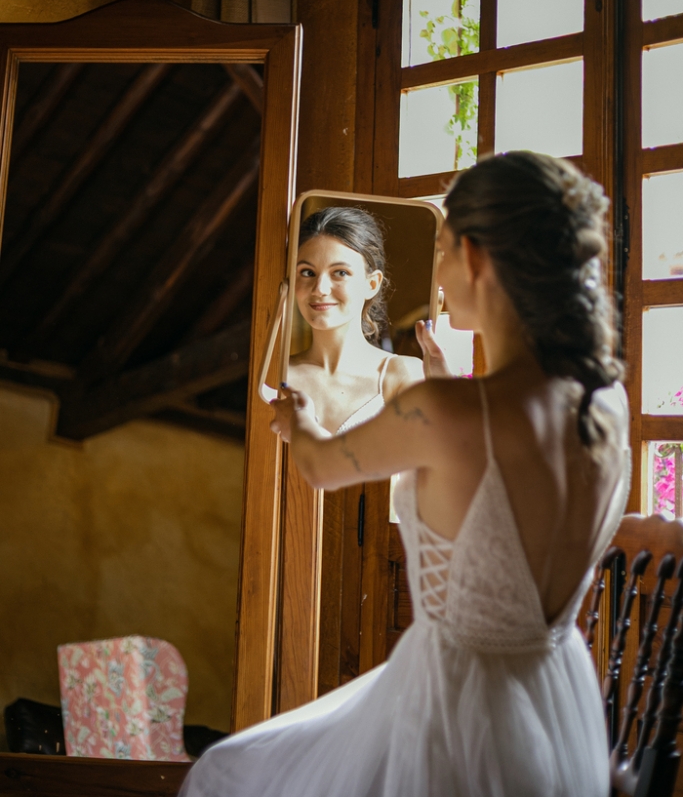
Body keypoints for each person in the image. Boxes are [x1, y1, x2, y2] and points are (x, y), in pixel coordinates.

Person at [180, 152, 630, 797]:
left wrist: (298, 419)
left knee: (228, 774)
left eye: (442, 250)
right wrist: (445, 380)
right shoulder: (603, 401)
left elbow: (317, 466)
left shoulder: (442, 409)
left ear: (473, 259)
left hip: (455, 707)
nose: (439, 274)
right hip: (559, 695)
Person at [285, 205, 424, 436]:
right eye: (307, 272)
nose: (319, 289)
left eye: (340, 272)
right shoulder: (278, 376)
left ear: (372, 284)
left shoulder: (402, 375)